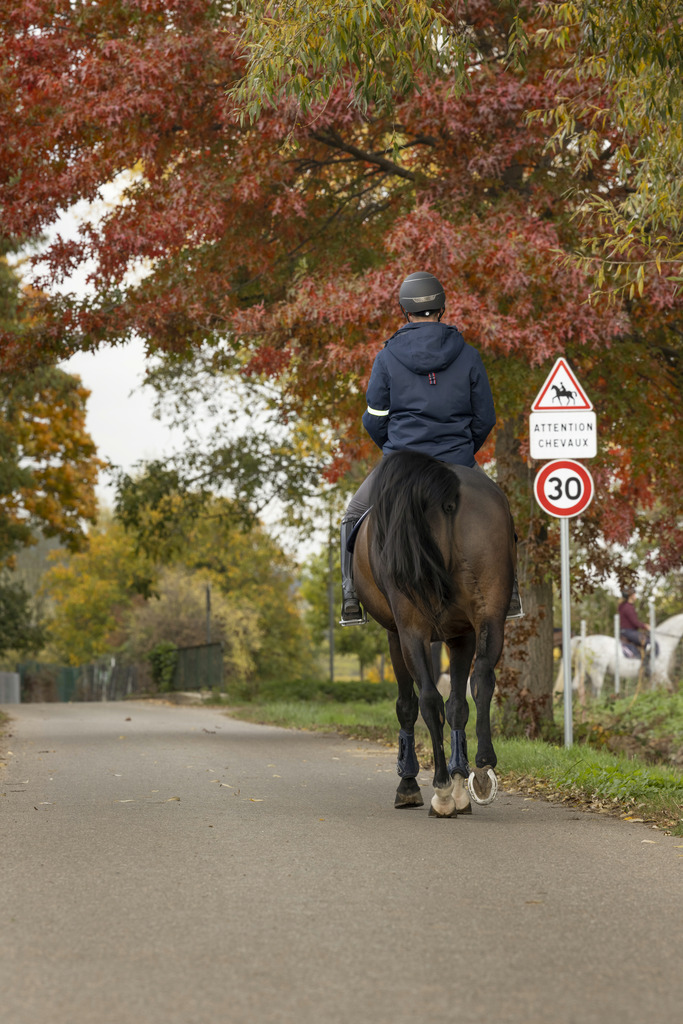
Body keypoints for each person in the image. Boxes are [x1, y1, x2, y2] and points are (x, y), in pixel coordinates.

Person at [339, 270, 522, 625]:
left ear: (404, 309)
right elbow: (485, 416)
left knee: (352, 515)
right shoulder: (468, 355)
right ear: (441, 307)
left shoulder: (387, 358)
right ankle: (511, 592)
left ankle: (350, 595)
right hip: (459, 458)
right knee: (501, 512)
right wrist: (464, 450)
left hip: (402, 462)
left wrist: (393, 451)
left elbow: (374, 418)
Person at [618, 588, 650, 658]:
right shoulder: (628, 607)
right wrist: (645, 626)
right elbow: (634, 622)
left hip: (626, 631)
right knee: (648, 642)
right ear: (631, 596)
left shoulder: (624, 606)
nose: (635, 596)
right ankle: (645, 662)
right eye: (634, 594)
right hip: (628, 631)